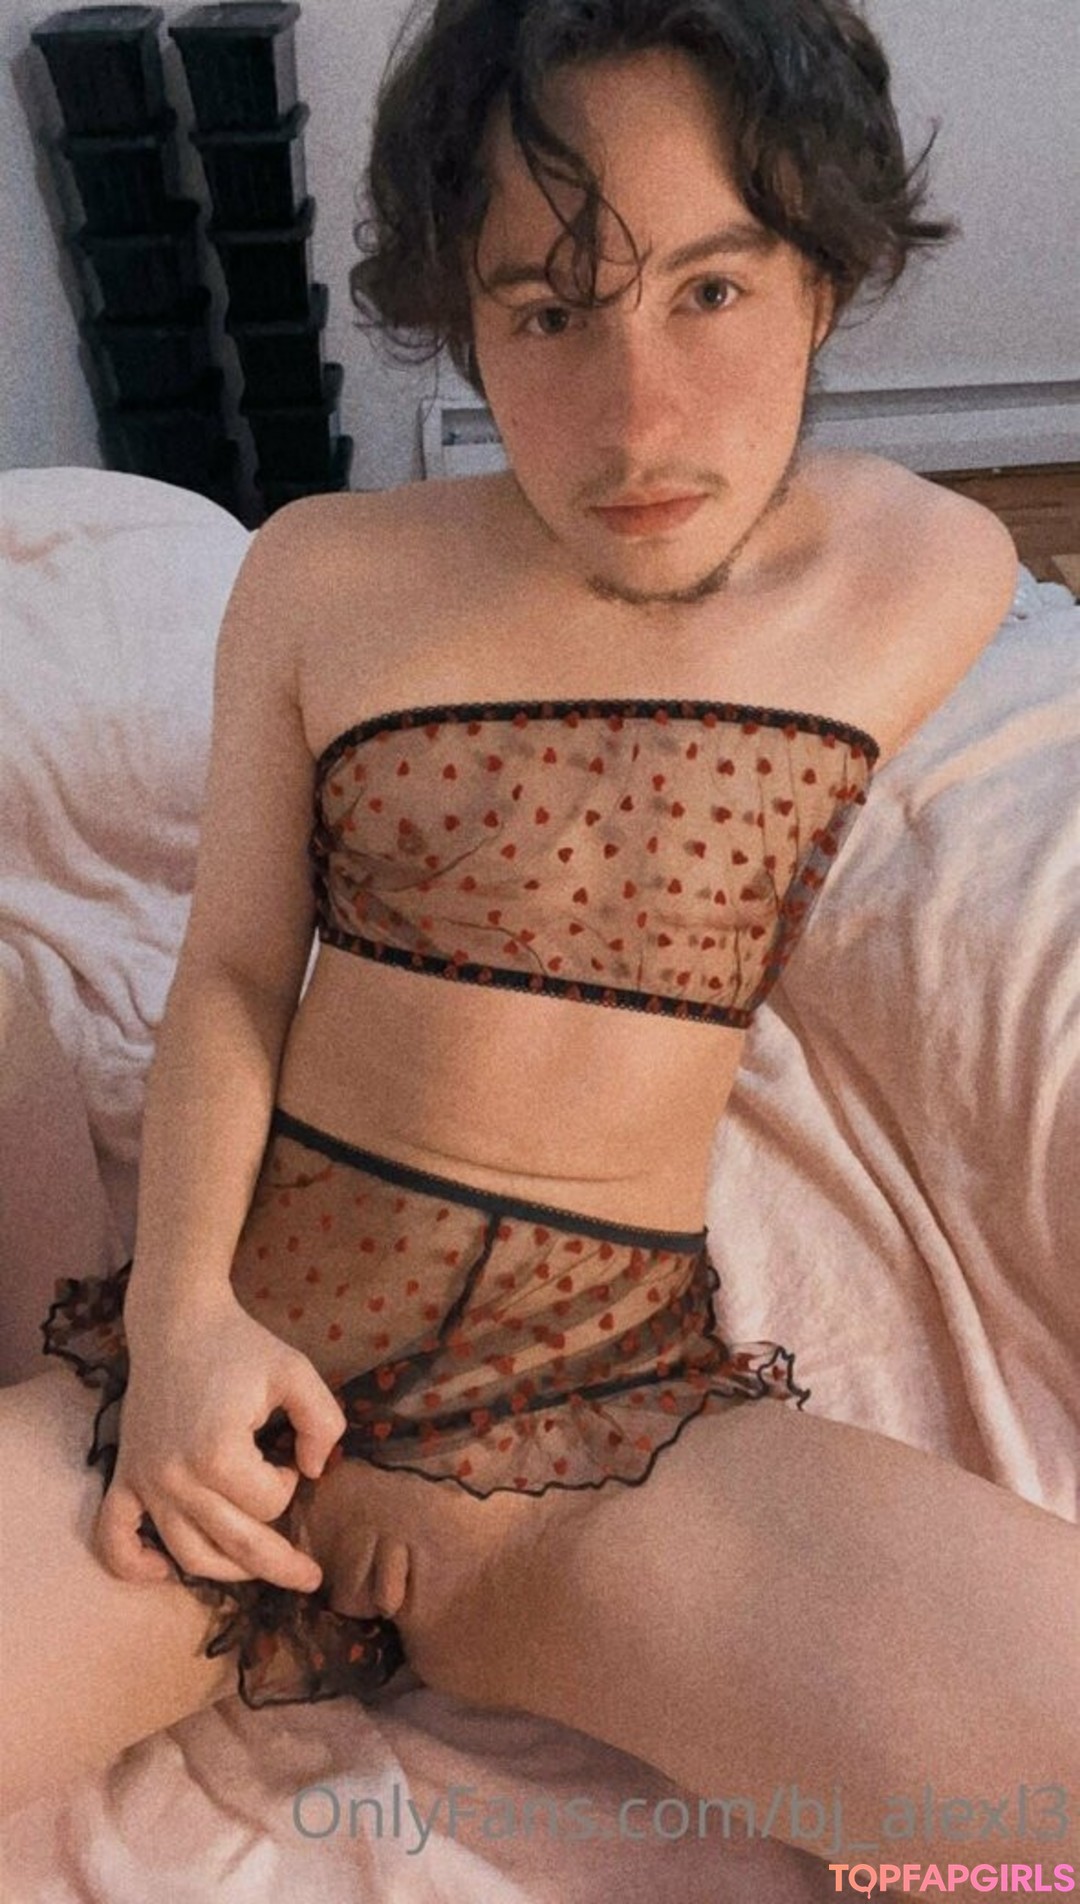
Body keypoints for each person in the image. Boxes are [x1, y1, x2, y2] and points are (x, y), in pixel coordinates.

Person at [4, 0, 1077, 1889]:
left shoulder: (930, 572)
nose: (636, 416)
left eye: (710, 292)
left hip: (597, 1429)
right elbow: (233, 973)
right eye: (550, 311)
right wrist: (174, 1329)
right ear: (467, 313)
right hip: (238, 1389)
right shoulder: (323, 573)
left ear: (822, 281)